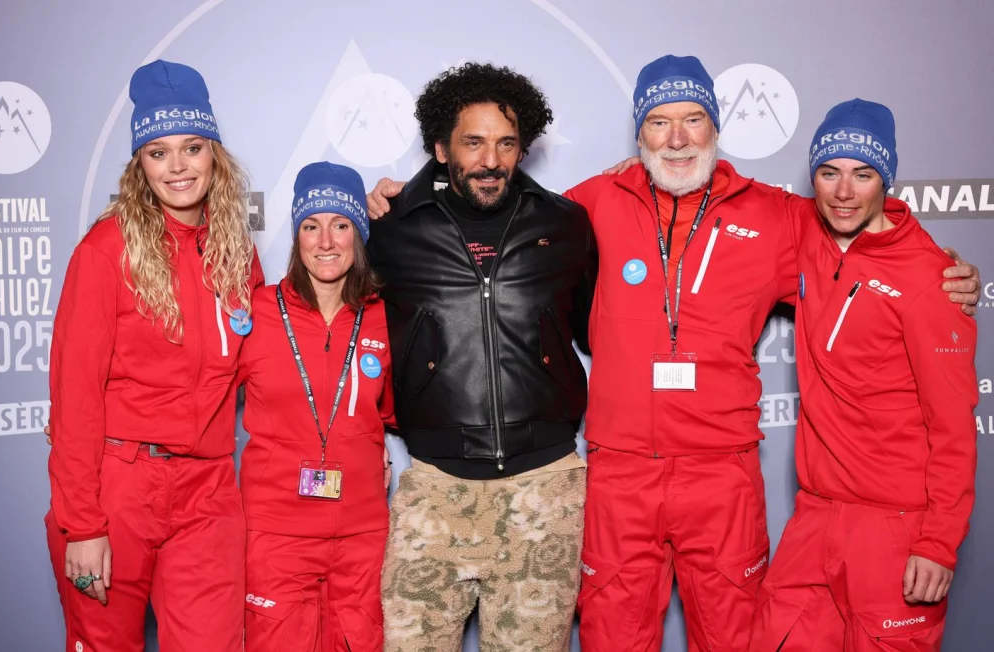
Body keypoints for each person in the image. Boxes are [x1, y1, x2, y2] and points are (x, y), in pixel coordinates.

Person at [368, 55, 980, 651]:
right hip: (621, 473)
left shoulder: (775, 216)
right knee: (613, 634)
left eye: (694, 120)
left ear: (716, 127)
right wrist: (410, 194)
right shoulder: (587, 205)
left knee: (735, 636)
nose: (679, 139)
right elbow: (491, 211)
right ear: (640, 134)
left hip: (723, 475)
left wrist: (939, 268)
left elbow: (859, 227)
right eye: (660, 122)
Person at [366, 62, 595, 651]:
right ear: (441, 148)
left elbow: (593, 331)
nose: (491, 159)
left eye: (506, 142)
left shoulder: (568, 225)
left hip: (545, 489)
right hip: (437, 486)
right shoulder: (392, 230)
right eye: (473, 141)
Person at [44, 60, 263, 652]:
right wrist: (82, 525)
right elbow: (75, 395)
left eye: (192, 147)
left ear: (214, 152)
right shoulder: (105, 249)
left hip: (209, 490)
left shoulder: (237, 254)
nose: (178, 166)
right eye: (158, 152)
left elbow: (265, 368)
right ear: (139, 165)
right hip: (119, 488)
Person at [749, 100, 978, 651]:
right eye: (829, 173)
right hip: (815, 515)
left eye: (862, 174)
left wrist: (939, 542)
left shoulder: (931, 279)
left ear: (886, 181)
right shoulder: (806, 233)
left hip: (895, 527)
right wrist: (643, 165)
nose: (844, 192)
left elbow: (953, 428)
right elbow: (723, 190)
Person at [239, 162, 394, 651]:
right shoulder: (256, 311)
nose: (326, 241)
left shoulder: (386, 316)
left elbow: (397, 408)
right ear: (296, 235)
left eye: (341, 225)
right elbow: (194, 385)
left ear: (359, 234)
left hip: (361, 534)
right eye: (311, 226)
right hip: (275, 534)